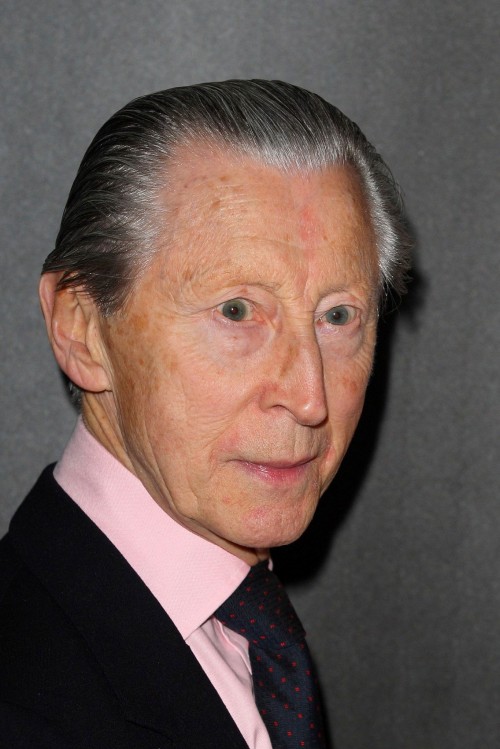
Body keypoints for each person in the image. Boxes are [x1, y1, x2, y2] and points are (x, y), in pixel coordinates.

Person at [0, 80, 410, 748]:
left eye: (338, 316)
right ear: (82, 330)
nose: (310, 397)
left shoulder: (246, 628)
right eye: (237, 311)